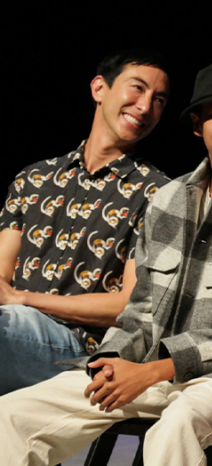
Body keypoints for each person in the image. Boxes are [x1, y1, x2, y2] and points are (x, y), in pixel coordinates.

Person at [0, 59, 212, 466]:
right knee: (12, 416)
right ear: (197, 124)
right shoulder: (169, 199)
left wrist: (159, 368)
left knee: (173, 427)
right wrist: (116, 358)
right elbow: (141, 308)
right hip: (155, 371)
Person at [0, 49, 171, 395]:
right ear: (99, 89)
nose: (144, 106)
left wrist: (24, 299)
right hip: (11, 327)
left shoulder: (159, 193)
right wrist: (13, 298)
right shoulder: (33, 178)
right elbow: (3, 272)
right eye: (137, 88)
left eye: (159, 101)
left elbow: (128, 306)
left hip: (80, 348)